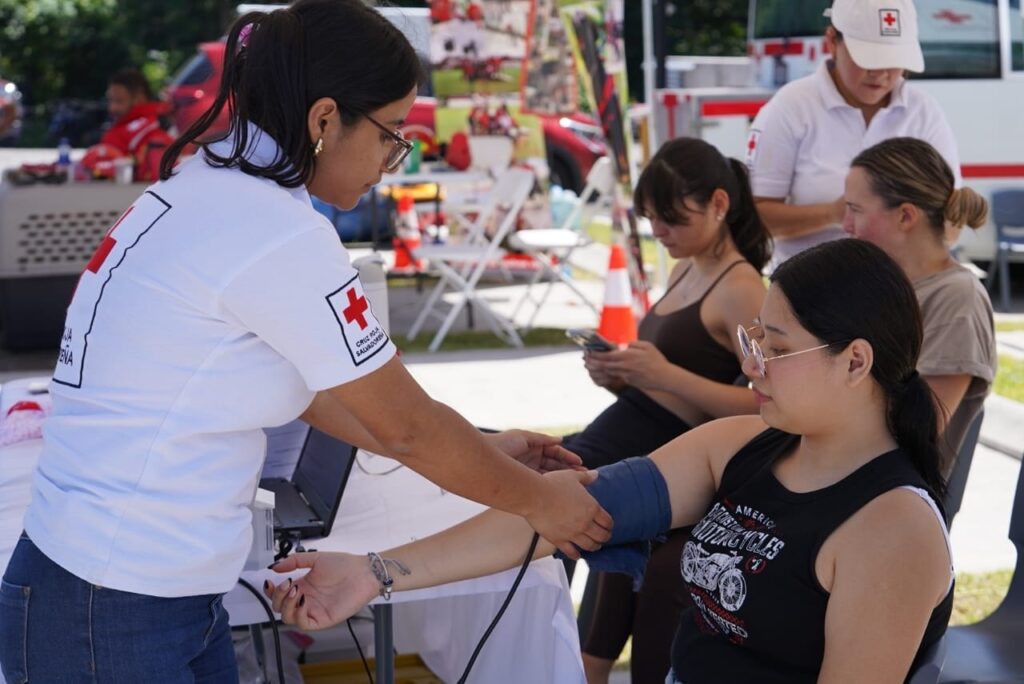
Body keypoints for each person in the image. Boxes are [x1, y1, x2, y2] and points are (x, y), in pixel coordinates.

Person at [0, 3, 611, 682]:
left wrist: (482, 450)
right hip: (112, 599)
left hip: (133, 584)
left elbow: (320, 395)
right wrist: (537, 499)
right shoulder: (273, 229)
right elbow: (407, 428)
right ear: (324, 119)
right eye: (390, 135)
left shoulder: (216, 187)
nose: (392, 159)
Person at [266, 238, 954, 683]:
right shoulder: (742, 446)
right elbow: (562, 509)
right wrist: (370, 574)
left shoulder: (893, 530)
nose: (753, 364)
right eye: (754, 340)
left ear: (855, 361)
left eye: (774, 347)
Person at [567, 137, 769, 684]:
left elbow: (769, 401)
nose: (660, 232)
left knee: (550, 502)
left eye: (672, 220)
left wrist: (662, 376)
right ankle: (575, 666)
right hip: (639, 431)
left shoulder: (742, 288)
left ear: (720, 205)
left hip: (672, 456)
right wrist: (622, 376)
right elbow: (676, 385)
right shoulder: (686, 267)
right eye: (652, 219)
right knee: (549, 494)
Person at [747, 0, 960, 267]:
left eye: (894, 61)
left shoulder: (923, 112)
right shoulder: (791, 108)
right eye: (868, 59)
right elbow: (755, 217)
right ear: (832, 42)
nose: (880, 74)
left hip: (902, 288)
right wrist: (833, 213)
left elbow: (953, 213)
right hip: (809, 290)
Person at [843, 137, 996, 473]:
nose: (846, 224)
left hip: (884, 495)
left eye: (855, 210)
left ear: (906, 216)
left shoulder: (957, 298)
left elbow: (915, 431)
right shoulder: (885, 285)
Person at [99, 68, 174, 181]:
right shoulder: (168, 119)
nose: (112, 108)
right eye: (110, 100)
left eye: (119, 101)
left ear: (139, 97)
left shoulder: (133, 132)